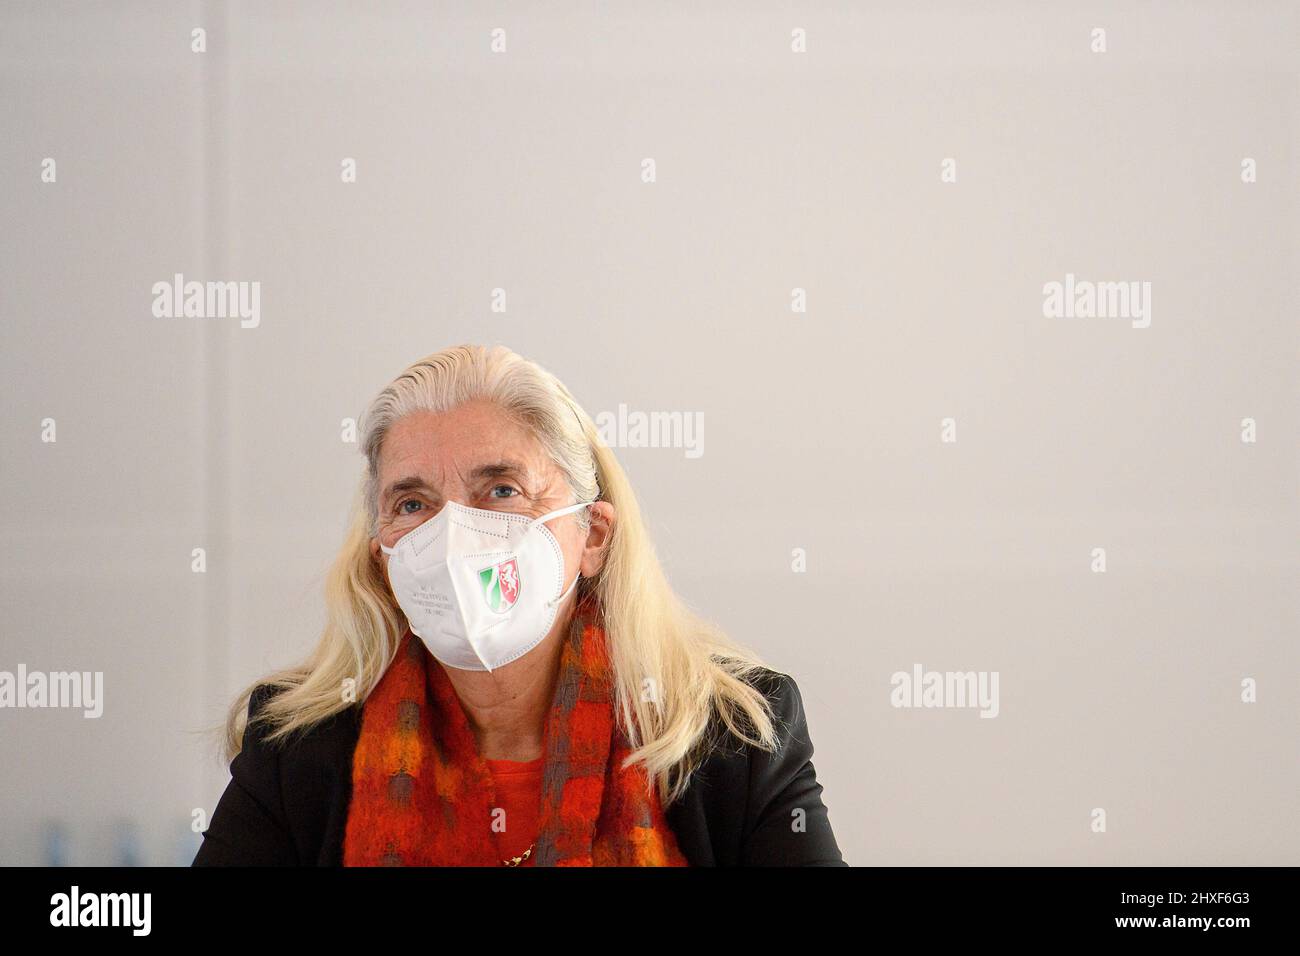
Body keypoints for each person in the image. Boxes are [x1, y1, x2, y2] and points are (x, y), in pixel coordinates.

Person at [193, 343, 845, 866]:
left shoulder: (733, 739)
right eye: (413, 504)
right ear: (381, 557)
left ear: (591, 536)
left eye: (501, 490)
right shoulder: (298, 754)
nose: (452, 539)